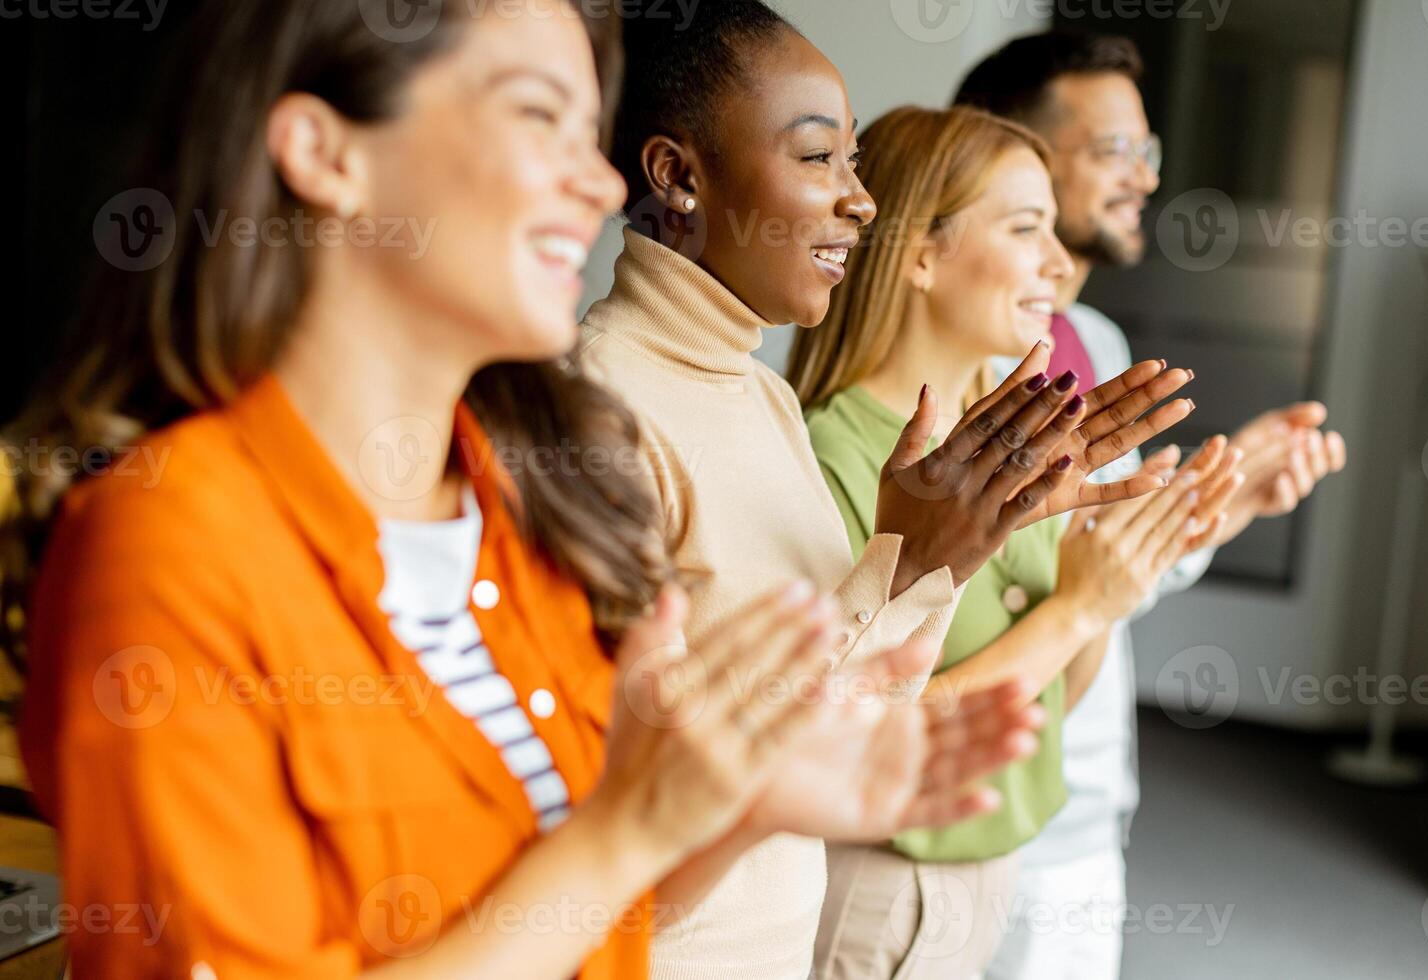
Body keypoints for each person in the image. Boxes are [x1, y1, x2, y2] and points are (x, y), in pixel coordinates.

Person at [5, 3, 1045, 976]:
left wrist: (728, 809)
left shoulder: (512, 505)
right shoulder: (170, 546)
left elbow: (590, 920)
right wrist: (636, 829)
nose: (597, 185)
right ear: (327, 153)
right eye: (538, 116)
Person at [578, 5, 1190, 978]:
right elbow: (636, 804)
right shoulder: (602, 409)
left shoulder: (763, 398)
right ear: (678, 176)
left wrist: (932, 560)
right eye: (819, 159)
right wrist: (939, 566)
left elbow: (841, 710)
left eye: (856, 165)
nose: (859, 203)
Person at [790, 104, 1239, 979]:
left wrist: (1102, 585)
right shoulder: (832, 451)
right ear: (920, 253)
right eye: (1027, 228)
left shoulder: (1018, 442)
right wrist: (1078, 607)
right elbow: (870, 731)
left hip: (993, 873)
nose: (1060, 263)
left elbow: (1050, 705)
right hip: (882, 881)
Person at [955, 31, 1348, 979]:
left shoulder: (1091, 335)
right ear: (1016, 154)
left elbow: (1097, 566)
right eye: (1112, 151)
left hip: (1088, 796)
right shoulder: (963, 354)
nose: (1143, 177)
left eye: (1148, 151)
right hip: (989, 813)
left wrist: (1224, 500)